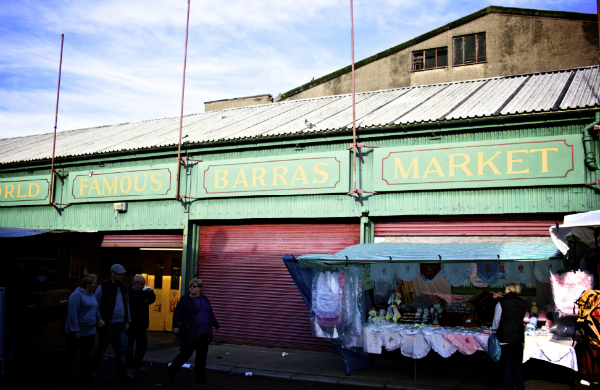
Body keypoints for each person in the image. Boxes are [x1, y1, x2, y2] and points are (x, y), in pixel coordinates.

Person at [168, 278, 221, 384]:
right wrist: (175, 326)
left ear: (200, 288)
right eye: (191, 286)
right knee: (185, 354)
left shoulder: (204, 299)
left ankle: (201, 378)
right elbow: (177, 313)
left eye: (194, 286)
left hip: (204, 332)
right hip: (190, 333)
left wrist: (216, 325)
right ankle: (171, 371)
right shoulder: (185, 300)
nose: (192, 288)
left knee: (201, 357)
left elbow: (210, 313)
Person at [55, 274, 104, 386]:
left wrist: (99, 319)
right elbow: (73, 314)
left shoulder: (92, 295)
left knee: (86, 356)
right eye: (94, 283)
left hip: (89, 330)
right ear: (88, 284)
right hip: (78, 331)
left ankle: (88, 379)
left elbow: (96, 308)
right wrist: (75, 330)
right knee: (69, 354)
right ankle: (59, 375)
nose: (96, 285)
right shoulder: (76, 295)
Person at [92, 264, 133, 383]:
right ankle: (93, 371)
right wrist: (99, 319)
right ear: (113, 273)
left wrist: (127, 320)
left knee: (121, 350)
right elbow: (97, 304)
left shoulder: (122, 286)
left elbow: (126, 304)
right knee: (101, 349)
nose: (122, 276)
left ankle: (122, 373)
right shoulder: (103, 286)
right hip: (108, 323)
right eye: (120, 274)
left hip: (119, 323)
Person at [492, 282, 527, 390]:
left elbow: (496, 320)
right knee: (517, 364)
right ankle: (520, 387)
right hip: (518, 337)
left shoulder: (501, 302)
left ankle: (509, 388)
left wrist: (494, 331)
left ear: (510, 290)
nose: (505, 291)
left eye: (506, 289)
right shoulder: (523, 303)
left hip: (505, 338)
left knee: (506, 365)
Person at [126, 275, 156, 373]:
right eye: (141, 284)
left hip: (142, 324)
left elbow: (152, 300)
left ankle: (137, 364)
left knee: (142, 345)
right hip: (131, 324)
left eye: (143, 284)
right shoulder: (128, 292)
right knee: (129, 346)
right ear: (135, 283)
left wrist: (150, 292)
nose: (142, 286)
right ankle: (129, 365)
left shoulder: (143, 292)